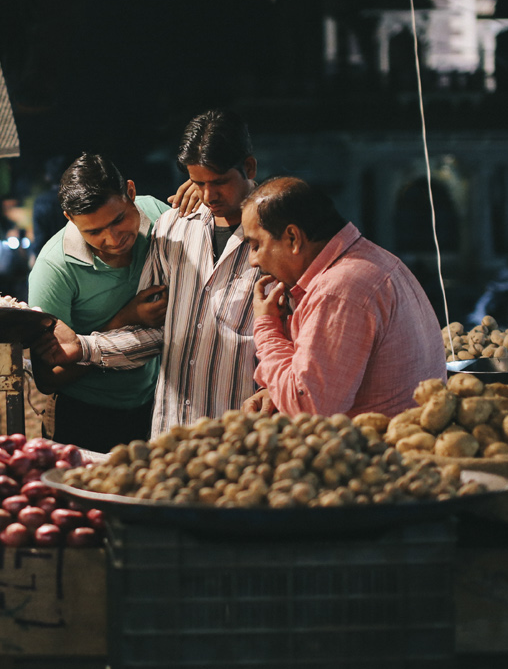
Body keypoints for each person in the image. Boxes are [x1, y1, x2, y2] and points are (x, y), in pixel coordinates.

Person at [37, 109, 261, 438]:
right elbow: (153, 333)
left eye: (220, 182)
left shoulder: (275, 235)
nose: (208, 195)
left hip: (244, 430)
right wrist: (84, 348)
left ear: (249, 168)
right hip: (172, 430)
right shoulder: (175, 227)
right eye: (198, 182)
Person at [242, 177, 446, 417]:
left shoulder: (339, 290)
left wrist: (267, 327)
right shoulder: (367, 260)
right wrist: (277, 390)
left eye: (256, 245)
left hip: (378, 450)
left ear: (292, 238)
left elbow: (308, 408)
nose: (253, 261)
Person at [27, 153, 169, 453]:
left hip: (154, 405)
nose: (114, 238)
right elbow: (47, 378)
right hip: (82, 415)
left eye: (119, 220)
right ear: (70, 219)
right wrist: (126, 319)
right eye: (93, 232)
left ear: (131, 193)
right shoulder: (53, 270)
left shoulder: (158, 215)